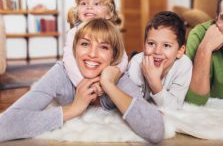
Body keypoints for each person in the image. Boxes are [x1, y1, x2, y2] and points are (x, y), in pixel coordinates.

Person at [0, 18, 164, 143]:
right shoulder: (61, 73)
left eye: (103, 47)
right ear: (75, 49)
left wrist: (109, 85)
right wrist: (73, 109)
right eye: (85, 44)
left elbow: (156, 131)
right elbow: (4, 126)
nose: (92, 54)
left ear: (113, 56)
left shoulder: (118, 78)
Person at [64, 0, 128, 87]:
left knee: (126, 83)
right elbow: (69, 60)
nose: (89, 7)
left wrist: (114, 75)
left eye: (96, 4)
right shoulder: (74, 32)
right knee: (60, 70)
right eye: (84, 3)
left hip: (105, 76)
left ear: (109, 13)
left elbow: (123, 58)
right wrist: (83, 84)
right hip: (79, 77)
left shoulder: (111, 33)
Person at [128, 11, 192, 109]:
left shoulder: (184, 65)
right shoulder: (136, 63)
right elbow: (132, 105)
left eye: (166, 45)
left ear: (180, 51)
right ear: (144, 45)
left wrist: (154, 82)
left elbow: (174, 107)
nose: (157, 51)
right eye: (151, 43)